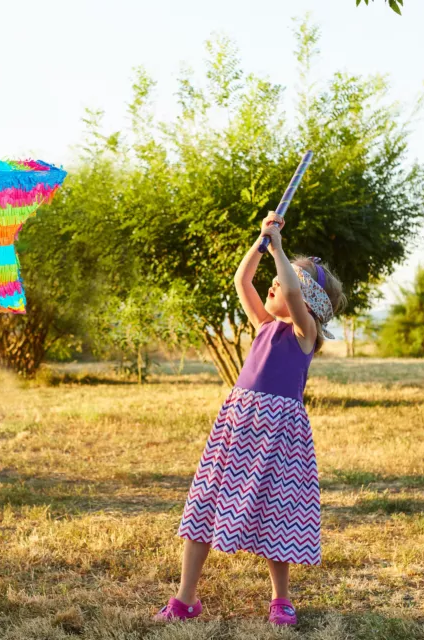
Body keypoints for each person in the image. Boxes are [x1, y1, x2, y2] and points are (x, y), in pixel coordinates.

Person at [155, 212, 346, 626]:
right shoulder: (263, 325)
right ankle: (185, 598)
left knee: (278, 513)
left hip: (280, 436)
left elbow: (293, 295)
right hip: (239, 427)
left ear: (308, 300)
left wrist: (279, 250)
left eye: (285, 278)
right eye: (278, 275)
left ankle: (281, 600)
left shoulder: (303, 333)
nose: (275, 282)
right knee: (204, 503)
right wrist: (261, 243)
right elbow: (243, 281)